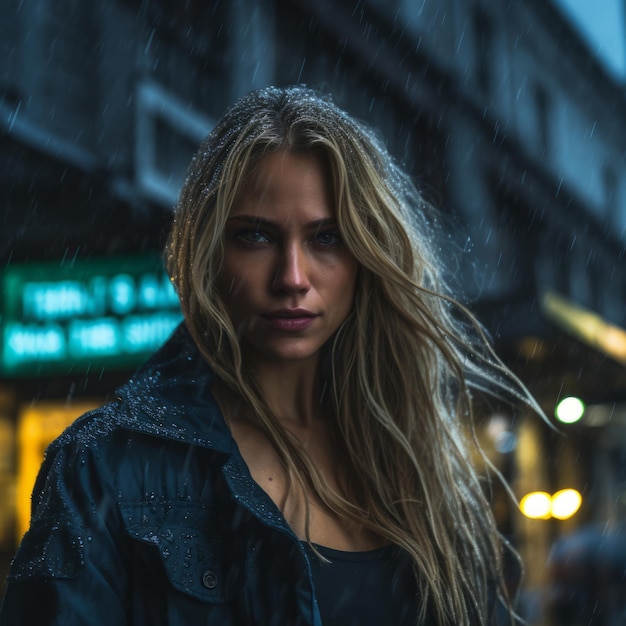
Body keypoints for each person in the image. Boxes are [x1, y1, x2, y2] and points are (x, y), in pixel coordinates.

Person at [0, 85, 533, 625]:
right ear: (209, 251)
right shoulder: (103, 465)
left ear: (367, 255)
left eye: (327, 237)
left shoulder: (424, 463)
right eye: (256, 236)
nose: (292, 278)